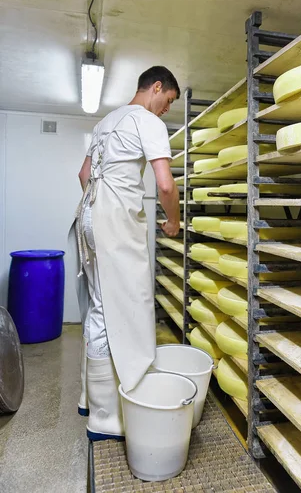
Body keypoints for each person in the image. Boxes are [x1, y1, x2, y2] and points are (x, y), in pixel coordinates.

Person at [69, 66, 181, 441]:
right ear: (157, 87)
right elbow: (165, 185)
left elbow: (84, 174)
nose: (166, 109)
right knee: (127, 305)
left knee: (100, 303)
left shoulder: (106, 122)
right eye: (168, 101)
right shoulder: (146, 121)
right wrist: (173, 222)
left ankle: (91, 396)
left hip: (87, 214)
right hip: (115, 221)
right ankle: (106, 419)